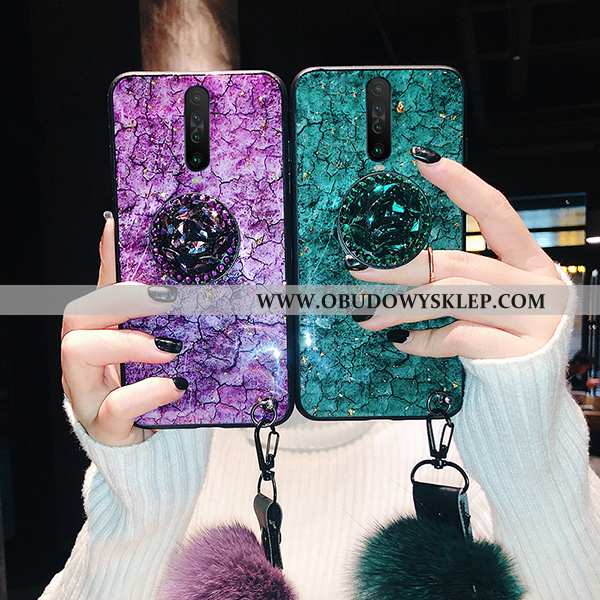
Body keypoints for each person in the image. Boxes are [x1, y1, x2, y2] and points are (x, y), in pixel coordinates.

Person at [40, 154, 600, 600]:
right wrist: (144, 496)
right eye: (254, 221)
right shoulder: (168, 438)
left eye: (331, 219)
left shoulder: (478, 425)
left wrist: (529, 442)